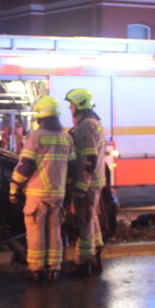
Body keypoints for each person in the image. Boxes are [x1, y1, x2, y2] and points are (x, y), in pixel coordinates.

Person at [9, 95, 76, 283]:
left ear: (40, 116)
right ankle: (54, 269)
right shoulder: (66, 138)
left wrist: (14, 187)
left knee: (36, 232)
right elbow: (72, 166)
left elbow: (25, 165)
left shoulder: (36, 136)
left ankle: (36, 270)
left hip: (37, 194)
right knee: (55, 232)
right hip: (58, 194)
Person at [64, 87, 105, 276]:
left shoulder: (87, 125)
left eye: (72, 104)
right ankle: (96, 253)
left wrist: (81, 186)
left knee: (84, 221)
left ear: (80, 104)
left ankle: (83, 262)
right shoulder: (90, 122)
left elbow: (89, 158)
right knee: (91, 217)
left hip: (87, 182)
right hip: (94, 181)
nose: (70, 108)